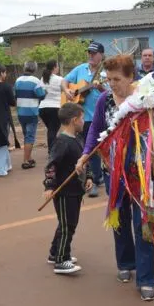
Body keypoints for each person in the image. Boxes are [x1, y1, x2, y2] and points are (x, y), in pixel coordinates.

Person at [78, 54, 154, 301]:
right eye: (109, 79)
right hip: (113, 170)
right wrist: (85, 155)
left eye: (117, 79)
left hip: (143, 170)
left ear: (131, 77)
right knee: (119, 218)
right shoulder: (104, 101)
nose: (112, 84)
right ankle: (126, 263)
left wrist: (153, 113)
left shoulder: (147, 97)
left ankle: (147, 278)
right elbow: (95, 130)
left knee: (143, 223)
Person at [43, 103, 93, 275]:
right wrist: (49, 185)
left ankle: (54, 252)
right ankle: (61, 259)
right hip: (64, 192)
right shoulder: (62, 142)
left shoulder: (77, 138)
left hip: (75, 190)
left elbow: (85, 160)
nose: (83, 122)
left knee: (66, 223)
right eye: (82, 118)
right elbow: (51, 165)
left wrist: (89, 177)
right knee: (68, 226)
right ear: (74, 120)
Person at [63, 41, 107, 197]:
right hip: (81, 117)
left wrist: (101, 87)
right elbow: (64, 80)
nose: (91, 55)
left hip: (101, 116)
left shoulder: (105, 72)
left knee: (99, 148)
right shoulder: (80, 68)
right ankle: (93, 180)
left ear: (101, 55)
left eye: (94, 53)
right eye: (89, 52)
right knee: (88, 150)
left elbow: (110, 91)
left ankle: (98, 176)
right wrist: (67, 90)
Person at [15, 61, 46, 169]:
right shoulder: (36, 81)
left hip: (20, 111)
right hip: (31, 111)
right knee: (30, 136)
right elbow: (41, 95)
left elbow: (15, 94)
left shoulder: (17, 80)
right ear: (34, 69)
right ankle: (26, 160)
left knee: (26, 135)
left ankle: (29, 157)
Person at [39, 60, 63, 154]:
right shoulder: (59, 79)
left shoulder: (42, 78)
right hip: (55, 107)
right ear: (54, 67)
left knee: (51, 130)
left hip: (42, 108)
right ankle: (52, 151)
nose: (58, 68)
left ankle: (53, 148)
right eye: (57, 66)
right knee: (53, 130)